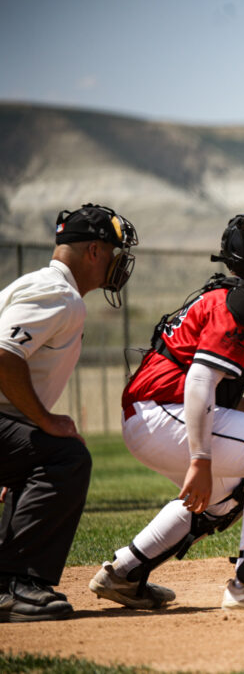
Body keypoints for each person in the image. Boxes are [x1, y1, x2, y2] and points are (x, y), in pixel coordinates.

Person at [88, 213, 244, 611]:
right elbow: (198, 383)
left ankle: (123, 574)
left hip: (153, 413)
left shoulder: (226, 296)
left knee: (223, 497)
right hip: (163, 412)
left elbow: (216, 394)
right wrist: (200, 458)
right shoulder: (241, 302)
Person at [0, 203, 138, 622]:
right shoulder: (60, 295)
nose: (118, 265)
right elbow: (4, 355)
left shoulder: (40, 285)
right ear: (94, 251)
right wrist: (44, 421)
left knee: (44, 453)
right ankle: (15, 586)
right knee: (65, 455)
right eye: (114, 253)